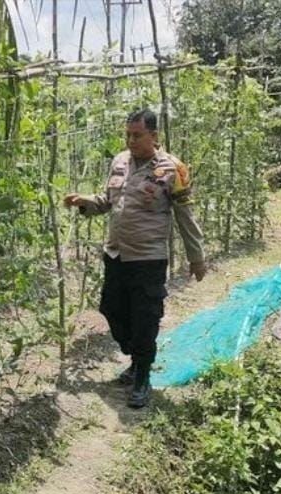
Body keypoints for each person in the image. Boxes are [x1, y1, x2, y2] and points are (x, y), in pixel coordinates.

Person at [63, 109, 207, 408]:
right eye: (128, 134)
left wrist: (196, 257)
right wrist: (85, 201)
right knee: (111, 309)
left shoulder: (172, 169)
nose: (131, 141)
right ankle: (138, 358)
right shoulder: (119, 161)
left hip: (148, 258)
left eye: (137, 135)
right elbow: (108, 201)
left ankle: (142, 377)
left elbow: (185, 215)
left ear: (153, 136)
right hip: (116, 253)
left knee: (145, 319)